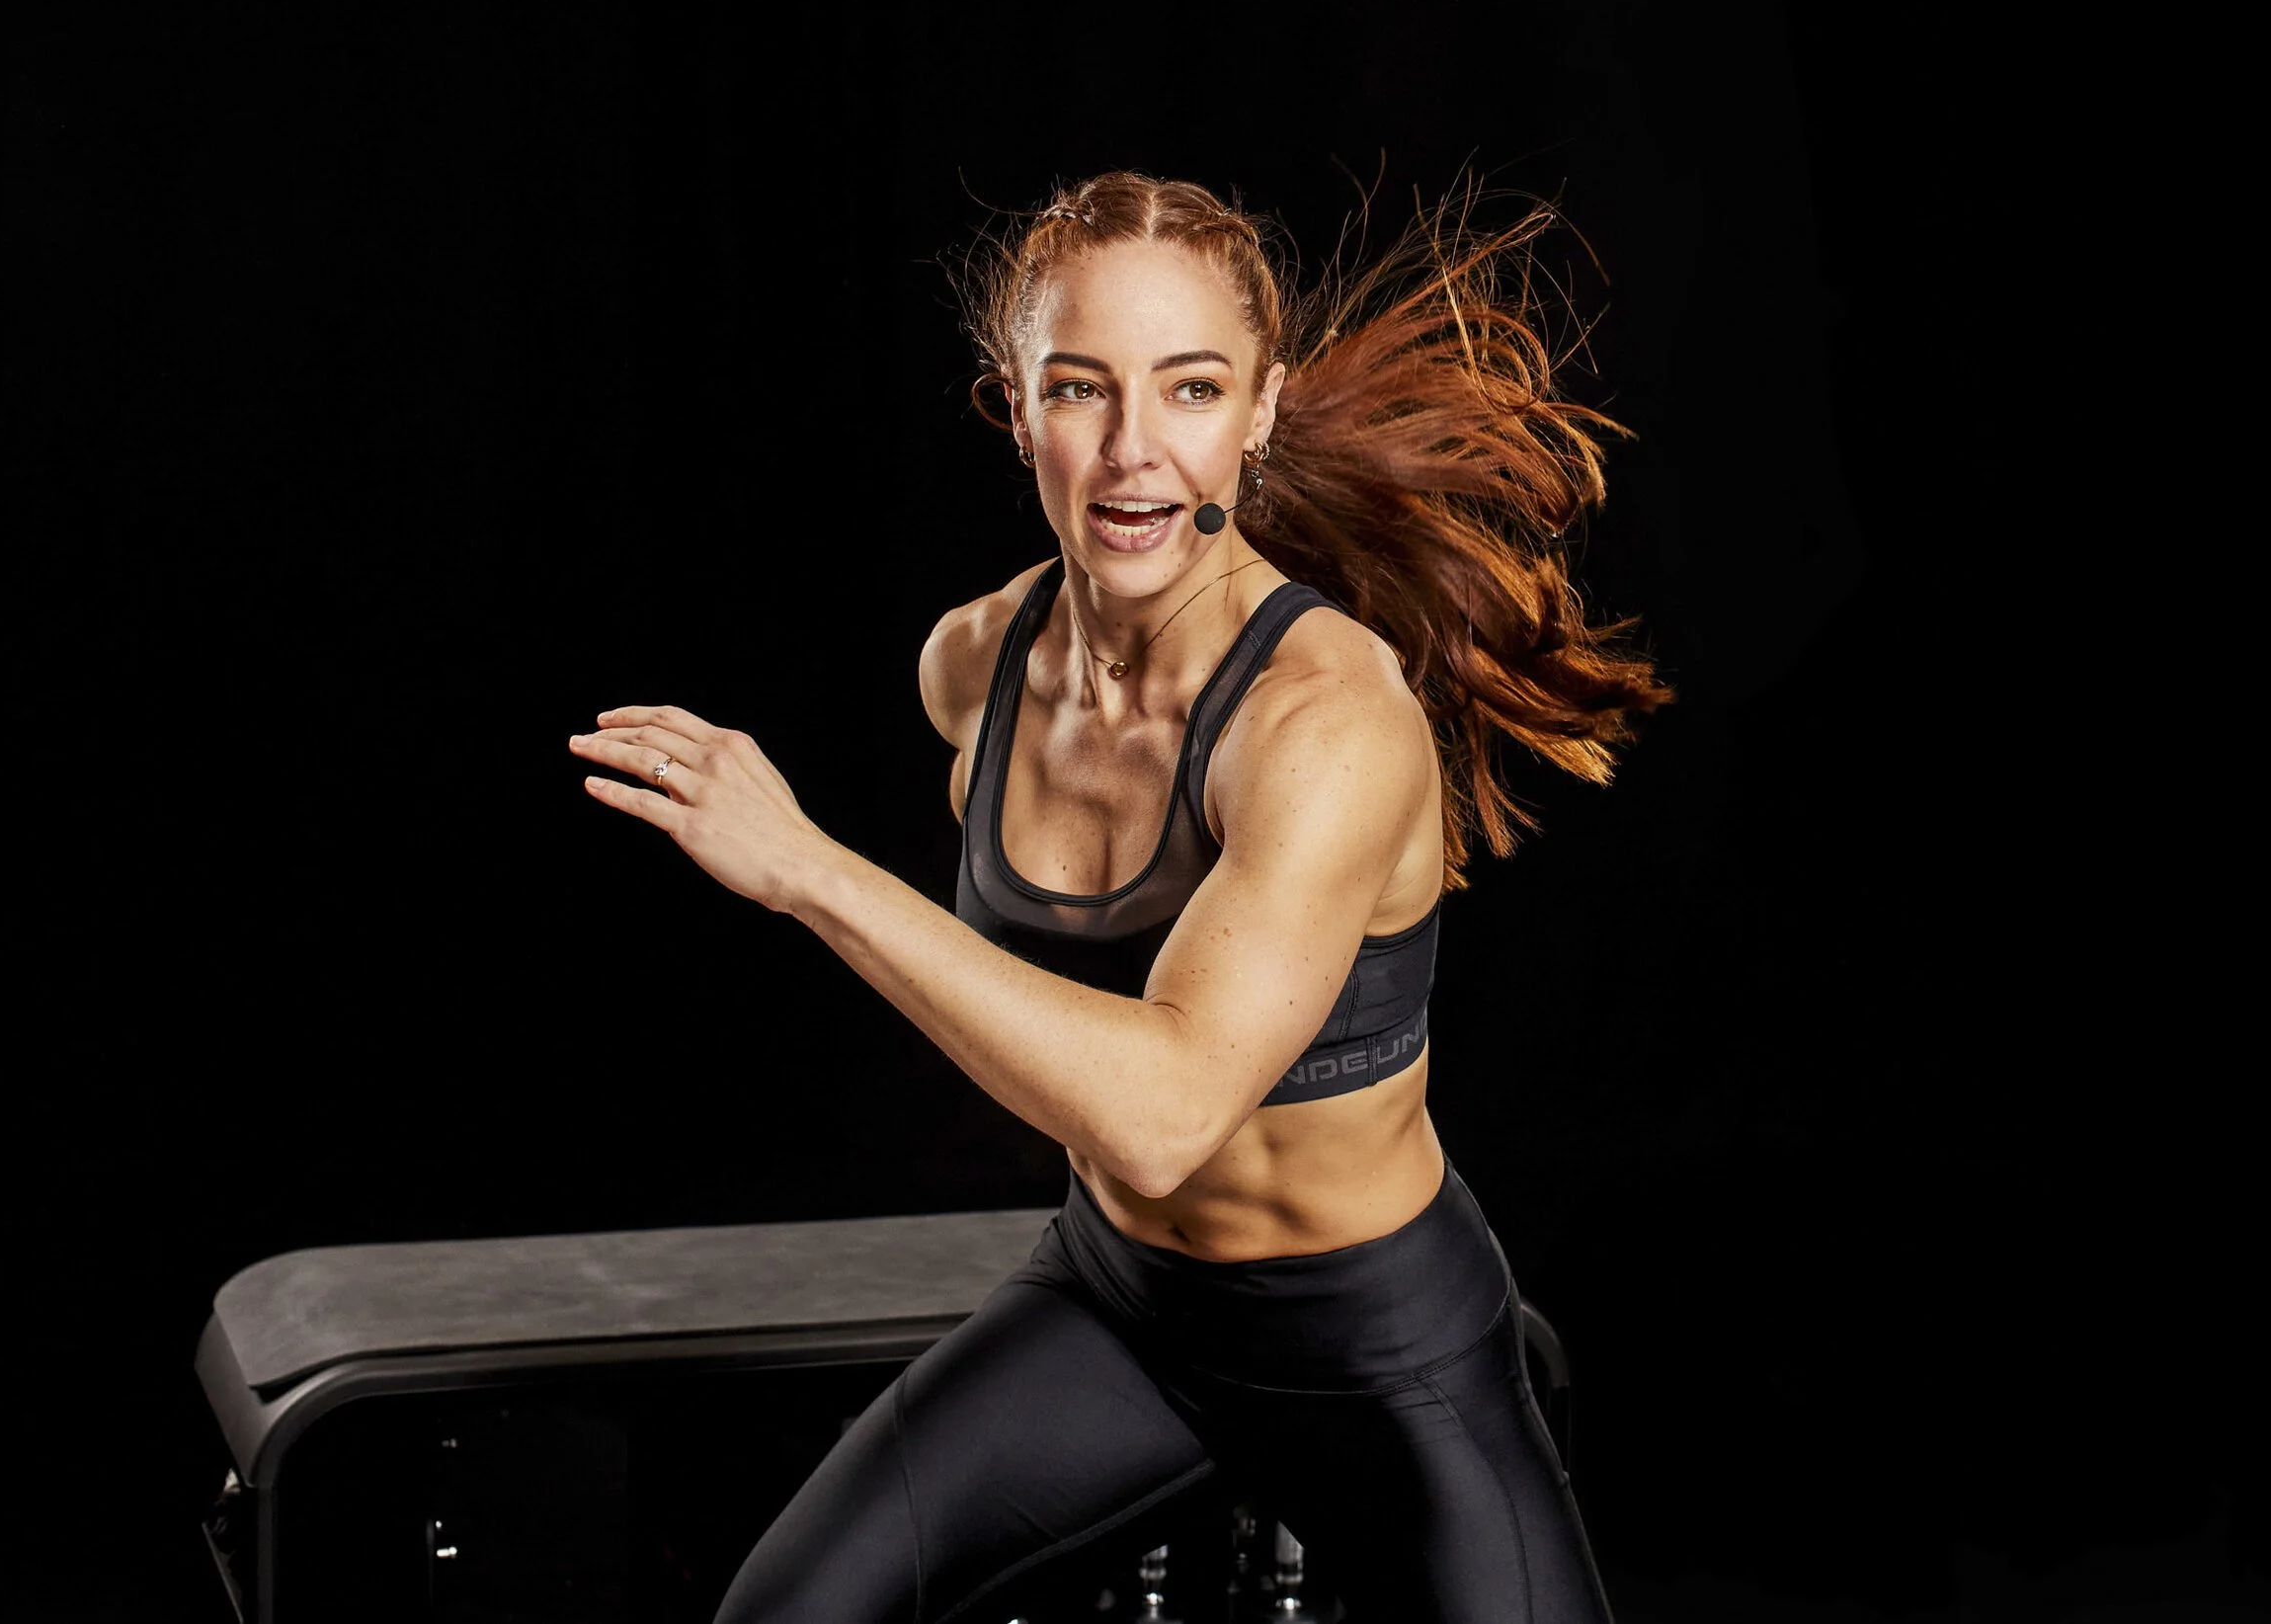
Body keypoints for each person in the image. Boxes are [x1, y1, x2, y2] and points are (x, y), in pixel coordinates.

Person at [569, 170, 1670, 1622]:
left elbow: (1161, 1115)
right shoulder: (972, 668)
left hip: (1380, 1346)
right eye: (1081, 389)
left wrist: (811, 871)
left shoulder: (1325, 719)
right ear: (1012, 408)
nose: (1133, 452)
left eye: (1192, 389)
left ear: (1260, 409)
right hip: (1121, 1307)